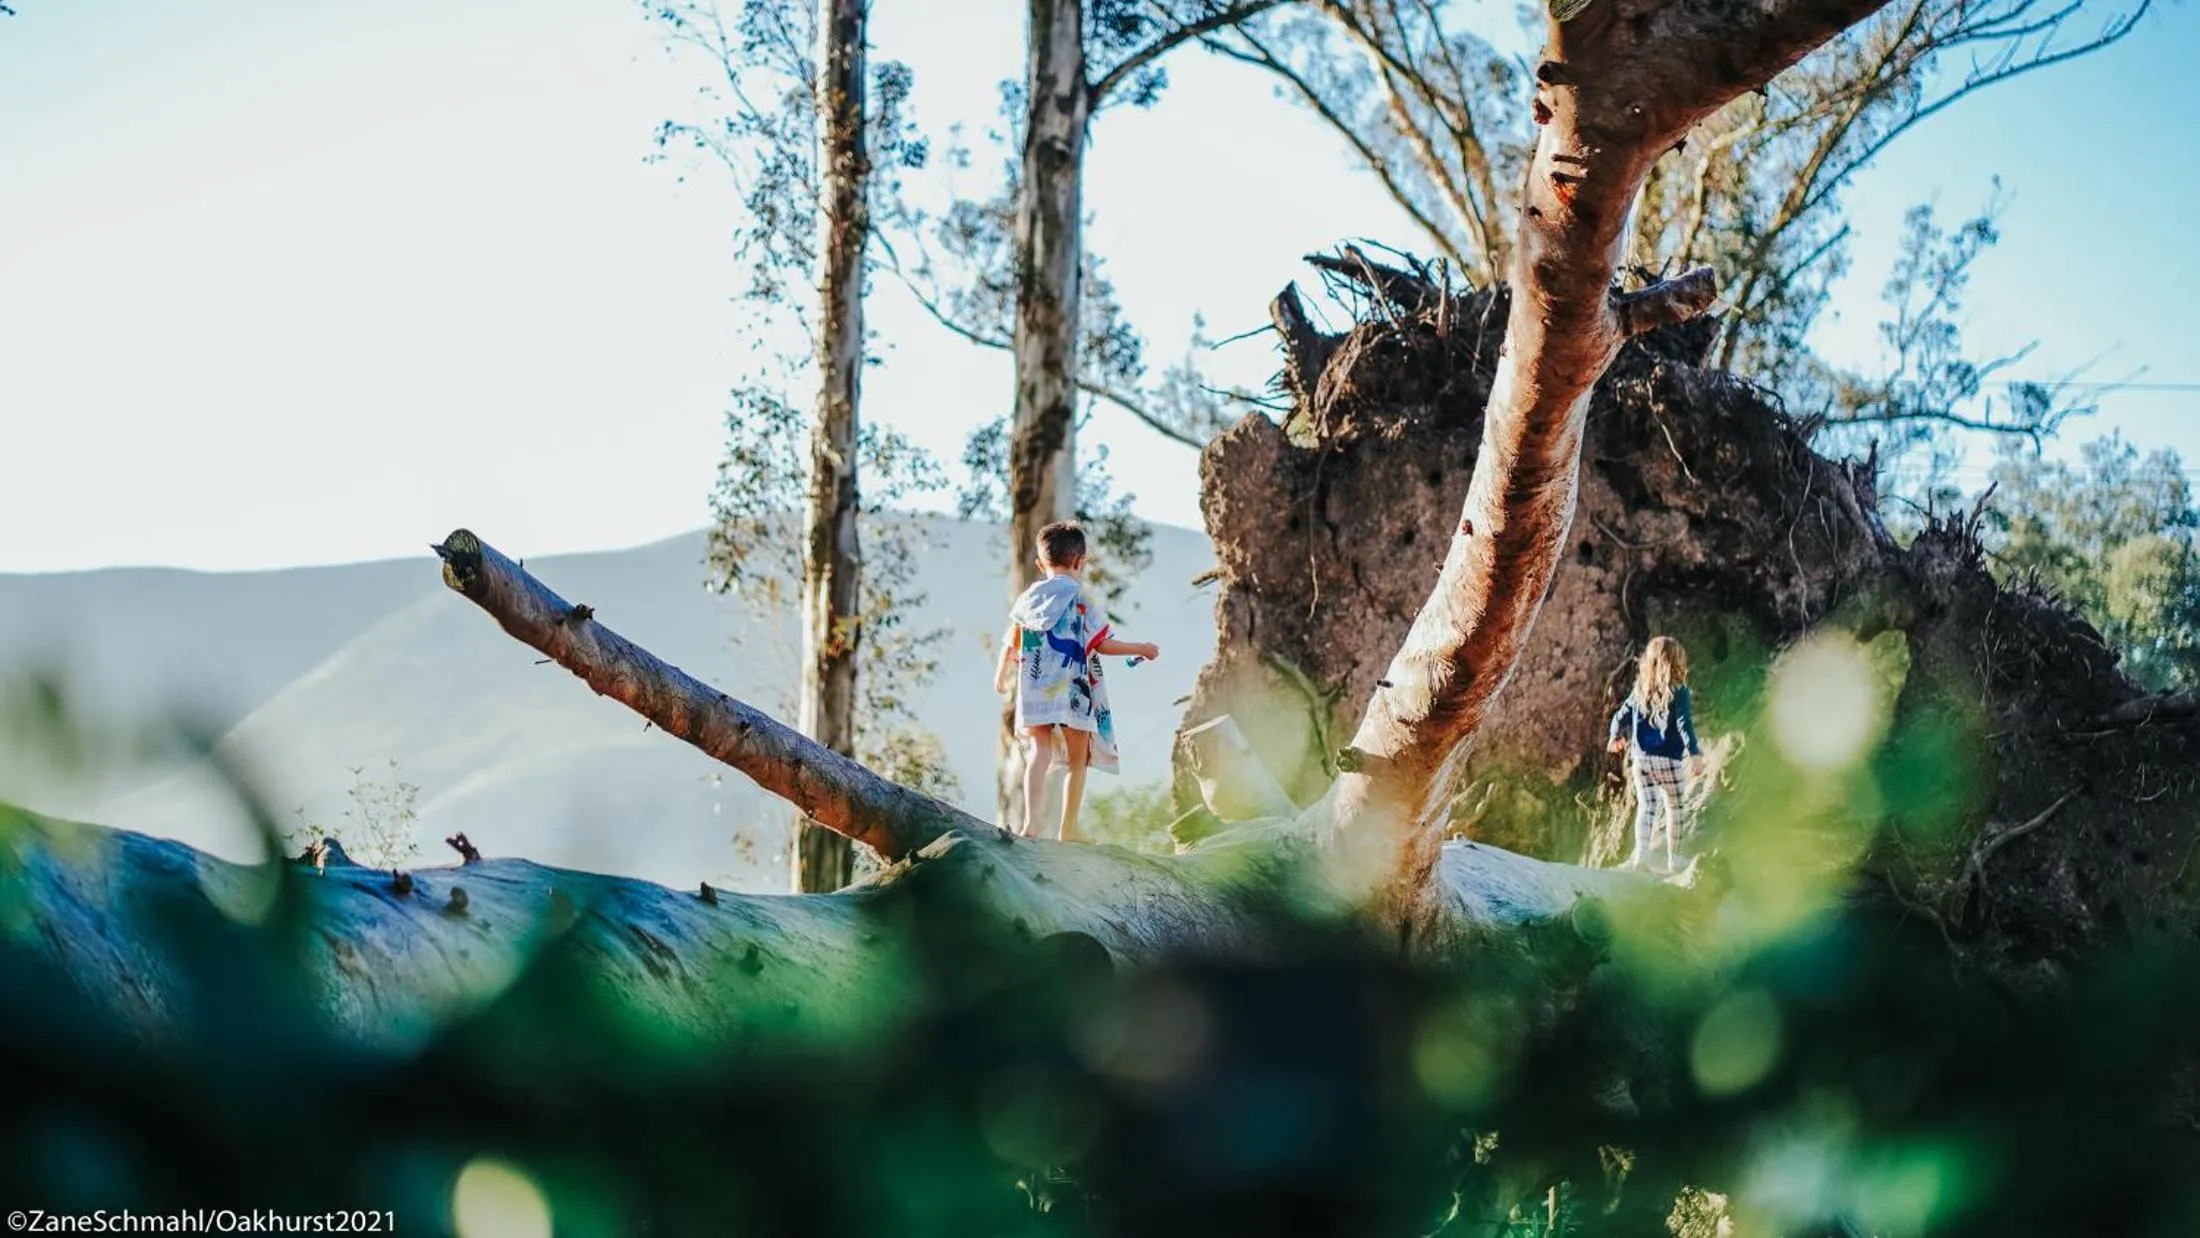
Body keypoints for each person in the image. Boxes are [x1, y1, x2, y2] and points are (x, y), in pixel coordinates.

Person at [993, 522, 1160, 842]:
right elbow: (1101, 643)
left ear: (1040, 564)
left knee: (1038, 750)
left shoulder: (1028, 598)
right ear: (1080, 562)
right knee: (1077, 759)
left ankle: (1031, 825)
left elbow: (1011, 641)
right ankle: (1068, 828)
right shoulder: (1079, 598)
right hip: (1072, 687)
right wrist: (1140, 648)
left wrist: (1000, 673)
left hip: (1035, 687)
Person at [1606, 635, 1704, 872]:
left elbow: (1619, 716)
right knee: (1675, 808)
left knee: (1647, 807)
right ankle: (1675, 859)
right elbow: (1684, 724)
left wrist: (1614, 737)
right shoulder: (1679, 691)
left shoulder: (1639, 691)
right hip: (1669, 760)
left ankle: (1641, 855)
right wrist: (1694, 753)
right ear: (1677, 662)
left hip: (1641, 761)